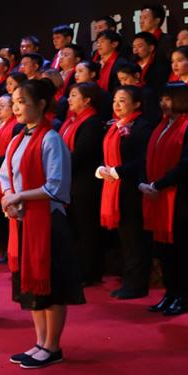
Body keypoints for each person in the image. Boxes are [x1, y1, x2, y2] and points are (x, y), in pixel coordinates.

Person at [0, 78, 84, 369]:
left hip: (49, 223)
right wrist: (8, 196)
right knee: (32, 286)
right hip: (24, 220)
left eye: (22, 102)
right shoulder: (16, 138)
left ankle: (53, 346)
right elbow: (5, 175)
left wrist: (19, 196)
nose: (16, 107)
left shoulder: (51, 139)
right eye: (14, 102)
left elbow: (56, 187)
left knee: (52, 286)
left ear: (40, 105)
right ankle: (39, 342)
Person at [139, 82, 188, 316]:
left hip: (182, 200)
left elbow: (187, 164)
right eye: (162, 99)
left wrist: (158, 185)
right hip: (159, 197)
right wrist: (146, 183)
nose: (163, 103)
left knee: (182, 252)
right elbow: (148, 157)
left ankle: (183, 297)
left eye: (168, 99)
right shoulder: (162, 125)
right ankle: (169, 293)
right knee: (165, 252)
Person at [97, 86, 155, 298]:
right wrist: (102, 169)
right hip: (115, 187)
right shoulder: (115, 125)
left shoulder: (142, 126)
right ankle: (128, 281)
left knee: (135, 239)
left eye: (122, 100)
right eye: (115, 100)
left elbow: (142, 159)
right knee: (125, 239)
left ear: (137, 104)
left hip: (132, 189)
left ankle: (137, 284)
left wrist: (116, 171)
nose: (117, 105)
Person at [59, 83, 106, 286]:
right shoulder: (72, 121)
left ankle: (89, 273)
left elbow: (81, 154)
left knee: (87, 229)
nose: (69, 99)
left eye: (74, 95)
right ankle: (78, 269)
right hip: (72, 182)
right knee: (75, 229)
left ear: (87, 100)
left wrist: (56, 166)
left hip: (85, 183)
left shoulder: (92, 123)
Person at [0, 93, 21, 264]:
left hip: (6, 174)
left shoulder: (16, 126)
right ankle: (4, 247)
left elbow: (13, 154)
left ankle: (11, 249)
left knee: (6, 215)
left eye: (2, 106)